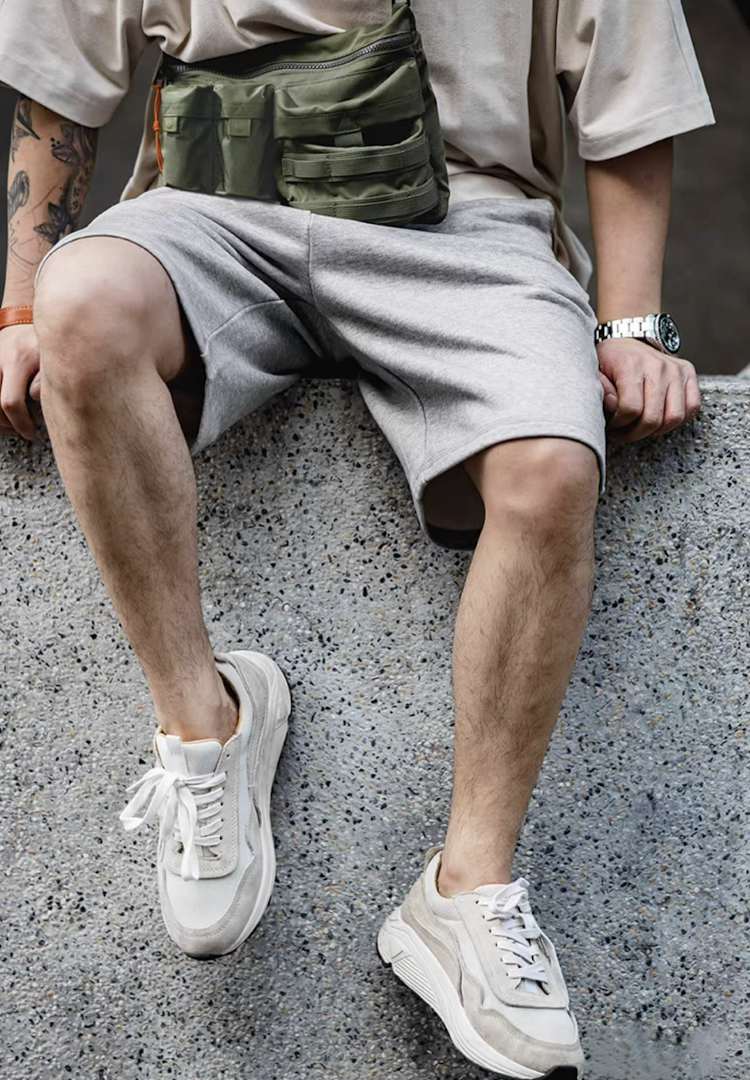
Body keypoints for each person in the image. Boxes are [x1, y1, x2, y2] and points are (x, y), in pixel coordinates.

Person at [0, 2, 712, 1076]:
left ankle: (467, 892)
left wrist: (631, 323)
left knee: (553, 467)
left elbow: (625, 81)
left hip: (472, 224)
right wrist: (18, 312)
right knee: (83, 306)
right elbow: (61, 78)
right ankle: (206, 726)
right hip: (209, 207)